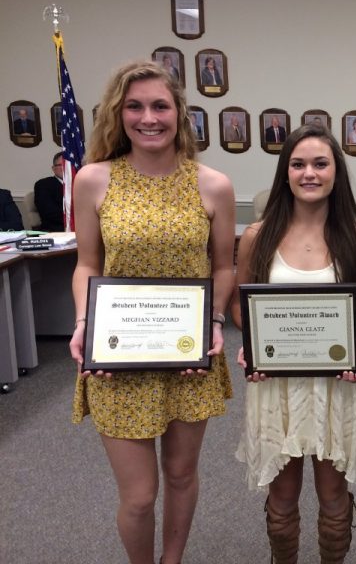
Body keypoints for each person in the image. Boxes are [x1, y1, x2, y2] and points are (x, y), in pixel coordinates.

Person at [68, 60, 235, 564]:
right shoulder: (94, 181)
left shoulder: (213, 185)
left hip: (188, 353)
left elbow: (223, 267)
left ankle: (173, 560)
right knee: (139, 496)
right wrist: (82, 321)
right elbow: (87, 265)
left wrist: (214, 320)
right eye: (134, 107)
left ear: (179, 113)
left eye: (160, 106)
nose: (148, 118)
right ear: (117, 116)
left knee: (182, 475)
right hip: (119, 357)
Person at [231, 124, 356, 563]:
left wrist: (355, 343)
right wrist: (253, 344)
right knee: (281, 496)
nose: (309, 173)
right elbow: (241, 305)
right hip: (274, 383)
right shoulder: (258, 235)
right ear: (285, 173)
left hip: (336, 383)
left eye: (320, 163)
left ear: (337, 172)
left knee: (334, 497)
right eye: (298, 164)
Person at [34, 152, 66, 232]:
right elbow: (50, 214)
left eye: (68, 164)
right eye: (62, 164)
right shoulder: (43, 185)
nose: (66, 168)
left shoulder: (80, 184)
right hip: (56, 230)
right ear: (53, 168)